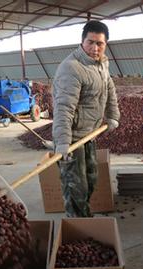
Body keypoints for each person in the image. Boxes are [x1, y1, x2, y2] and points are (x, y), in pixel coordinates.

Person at [52, 20, 120, 217]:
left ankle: (84, 215)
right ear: (82, 41)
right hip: (71, 138)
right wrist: (63, 142)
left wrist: (113, 116)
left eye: (100, 43)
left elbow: (110, 90)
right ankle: (78, 225)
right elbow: (63, 108)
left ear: (105, 44)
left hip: (88, 134)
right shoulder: (72, 68)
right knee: (76, 189)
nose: (95, 48)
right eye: (90, 42)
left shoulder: (102, 64)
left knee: (91, 179)